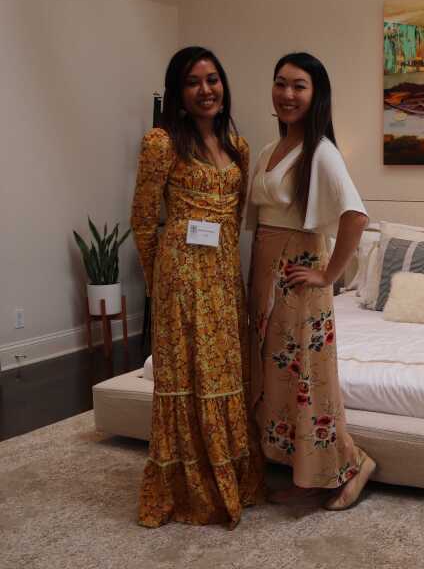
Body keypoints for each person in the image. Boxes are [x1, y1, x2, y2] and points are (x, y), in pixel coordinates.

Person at [131, 46, 264, 528]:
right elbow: (144, 220)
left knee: (225, 371)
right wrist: (159, 283)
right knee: (188, 376)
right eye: (193, 82)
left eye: (213, 79)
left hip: (225, 276)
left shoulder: (238, 146)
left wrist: (235, 277)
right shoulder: (161, 142)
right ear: (178, 93)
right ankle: (187, 486)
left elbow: (238, 213)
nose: (206, 90)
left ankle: (229, 471)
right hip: (180, 280)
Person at [247, 52, 376, 509]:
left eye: (299, 86)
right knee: (278, 378)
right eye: (280, 83)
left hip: (299, 278)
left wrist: (328, 274)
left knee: (308, 378)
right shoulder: (269, 150)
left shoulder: (320, 151)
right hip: (266, 278)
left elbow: (356, 217)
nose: (287, 94)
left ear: (316, 94)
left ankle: (352, 465)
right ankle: (303, 472)